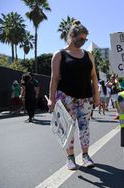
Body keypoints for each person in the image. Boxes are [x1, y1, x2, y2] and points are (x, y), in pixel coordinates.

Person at [47, 20, 100, 170]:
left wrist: (96, 96)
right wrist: (51, 99)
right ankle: (70, 158)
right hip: (66, 97)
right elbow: (54, 78)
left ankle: (85, 155)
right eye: (80, 39)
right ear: (71, 36)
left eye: (85, 39)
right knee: (68, 129)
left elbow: (94, 76)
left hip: (85, 98)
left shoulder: (89, 55)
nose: (83, 42)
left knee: (84, 127)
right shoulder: (59, 55)